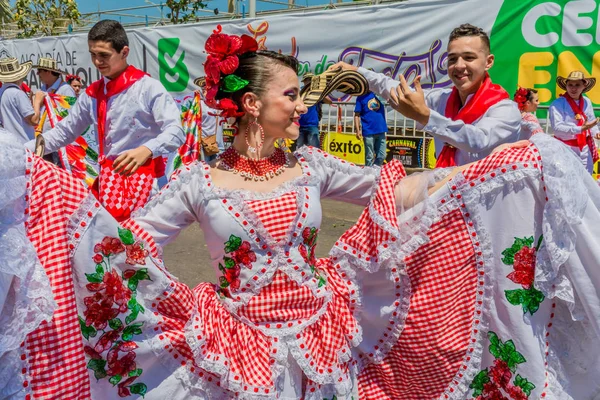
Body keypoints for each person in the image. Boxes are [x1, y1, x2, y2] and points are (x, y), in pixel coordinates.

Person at [3, 27, 600, 400]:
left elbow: (393, 190)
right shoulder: (198, 182)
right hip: (237, 346)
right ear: (249, 105)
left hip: (327, 332)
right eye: (290, 95)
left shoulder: (314, 165)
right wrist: (55, 203)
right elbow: (125, 244)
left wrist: (477, 173)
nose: (301, 105)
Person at [25, 20, 184, 221]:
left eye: (104, 55)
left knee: (141, 248)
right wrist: (21, 152)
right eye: (93, 54)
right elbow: (64, 132)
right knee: (109, 249)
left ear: (124, 52)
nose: (97, 61)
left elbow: (176, 131)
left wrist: (147, 149)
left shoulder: (148, 88)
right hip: (110, 186)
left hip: (147, 184)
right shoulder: (93, 94)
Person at [332, 23, 521, 167]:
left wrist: (425, 116)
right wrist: (356, 71)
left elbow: (477, 140)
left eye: (469, 57)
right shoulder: (442, 99)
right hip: (447, 197)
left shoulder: (505, 109)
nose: (459, 65)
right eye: (453, 59)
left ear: (488, 62)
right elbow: (394, 87)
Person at [549, 71, 599, 174]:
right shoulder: (558, 103)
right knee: (567, 180)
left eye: (577, 85)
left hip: (584, 148)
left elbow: (590, 121)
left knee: (586, 180)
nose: (573, 88)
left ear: (584, 86)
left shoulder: (586, 101)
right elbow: (557, 128)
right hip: (565, 148)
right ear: (566, 86)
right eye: (570, 85)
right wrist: (581, 129)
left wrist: (596, 133)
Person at [0, 57, 44, 144]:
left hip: (7, 144)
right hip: (23, 144)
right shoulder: (17, 94)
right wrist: (37, 101)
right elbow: (34, 120)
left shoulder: (2, 92)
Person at [354, 90, 388, 166]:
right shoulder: (360, 97)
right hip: (368, 130)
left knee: (382, 156)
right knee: (369, 156)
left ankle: (374, 170)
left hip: (381, 129)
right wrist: (357, 130)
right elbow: (357, 115)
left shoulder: (379, 94)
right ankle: (369, 174)